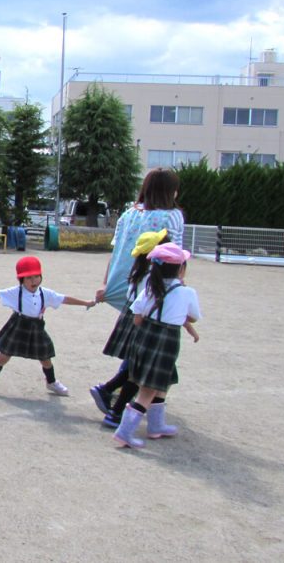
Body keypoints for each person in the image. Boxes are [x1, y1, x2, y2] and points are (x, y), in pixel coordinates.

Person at [93, 169, 185, 416]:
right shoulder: (173, 216)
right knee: (147, 354)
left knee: (139, 349)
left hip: (129, 287)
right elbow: (176, 256)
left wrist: (106, 284)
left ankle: (129, 402)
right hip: (155, 290)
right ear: (169, 191)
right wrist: (178, 287)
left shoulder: (129, 214)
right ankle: (118, 401)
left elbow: (116, 253)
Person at [114, 243, 201, 449]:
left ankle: (156, 425)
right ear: (181, 269)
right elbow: (194, 317)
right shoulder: (187, 293)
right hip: (166, 343)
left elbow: (136, 318)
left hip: (144, 340)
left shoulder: (149, 289)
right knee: (148, 390)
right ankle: (124, 432)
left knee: (162, 384)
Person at [0, 256, 96, 396]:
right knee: (4, 355)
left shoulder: (45, 293)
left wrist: (85, 302)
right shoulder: (16, 292)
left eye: (36, 277)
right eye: (29, 278)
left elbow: (64, 299)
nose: (34, 281)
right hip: (19, 325)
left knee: (45, 358)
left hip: (37, 327)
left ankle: (52, 382)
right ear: (21, 280)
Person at [90, 229, 169, 426]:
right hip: (142, 322)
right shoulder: (151, 276)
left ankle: (110, 394)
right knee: (139, 370)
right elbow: (147, 303)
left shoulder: (140, 271)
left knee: (136, 366)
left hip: (135, 317)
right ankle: (112, 402)